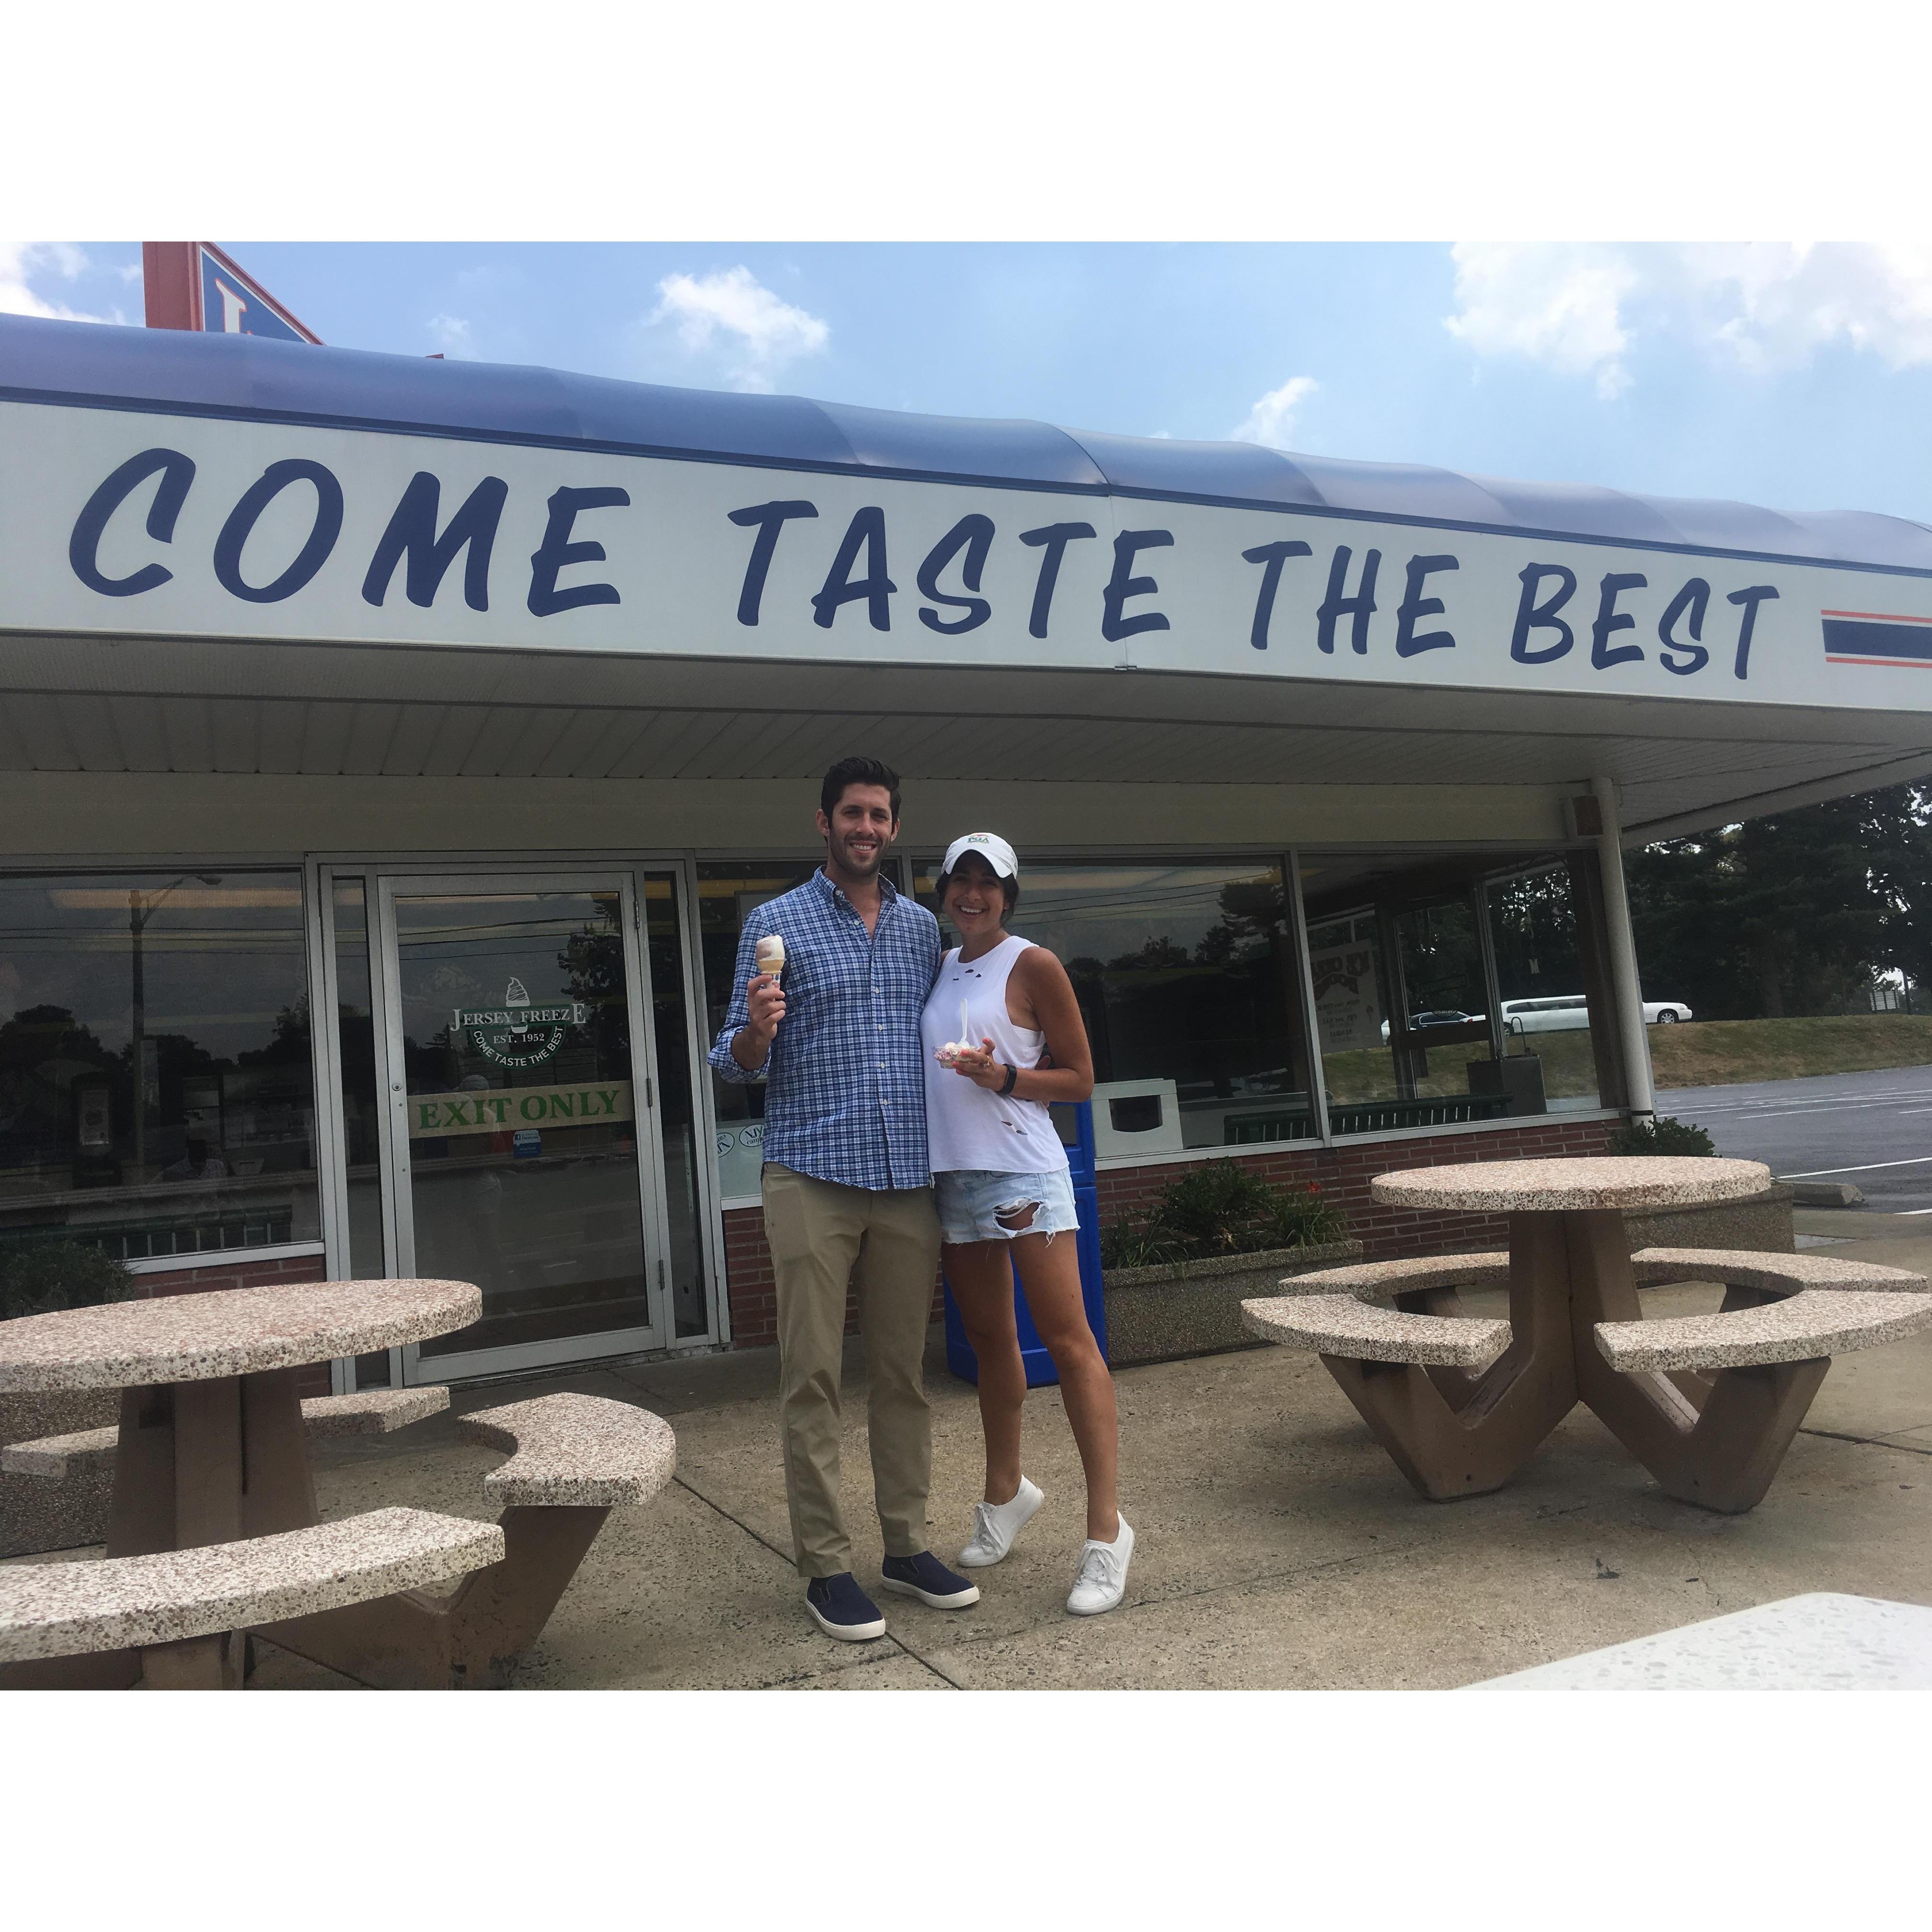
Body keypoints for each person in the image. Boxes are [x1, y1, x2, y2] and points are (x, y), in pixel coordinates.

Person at [708, 756, 980, 1642]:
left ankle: (905, 1546)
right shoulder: (774, 922)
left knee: (903, 1376)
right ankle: (826, 1565)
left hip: (907, 1183)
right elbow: (731, 1063)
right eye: (852, 814)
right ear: (823, 822)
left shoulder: (917, 932)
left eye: (881, 817)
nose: (867, 829)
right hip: (811, 1176)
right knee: (813, 1378)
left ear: (895, 829)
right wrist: (755, 1030)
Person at [923, 833, 1133, 1615]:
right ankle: (1005, 1492)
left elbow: (1079, 1080)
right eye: (960, 881)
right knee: (988, 1344)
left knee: (1069, 1342)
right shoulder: (940, 967)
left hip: (1024, 1174)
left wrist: (1004, 1074)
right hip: (956, 1179)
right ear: (944, 890)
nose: (972, 894)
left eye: (989, 883)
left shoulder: (1034, 963)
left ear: (1010, 895)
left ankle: (1107, 1533)